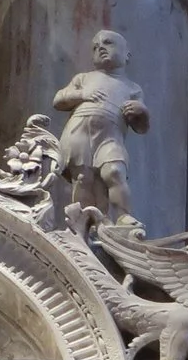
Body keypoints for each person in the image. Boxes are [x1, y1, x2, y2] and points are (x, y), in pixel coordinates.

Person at [55, 30, 151, 223]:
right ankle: (83, 222)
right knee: (83, 179)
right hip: (79, 131)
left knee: (114, 171)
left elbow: (141, 127)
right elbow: (58, 100)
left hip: (111, 136)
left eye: (108, 43)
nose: (100, 48)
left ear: (127, 55)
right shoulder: (83, 79)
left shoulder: (132, 88)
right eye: (95, 47)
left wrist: (141, 112)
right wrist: (82, 94)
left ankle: (123, 217)